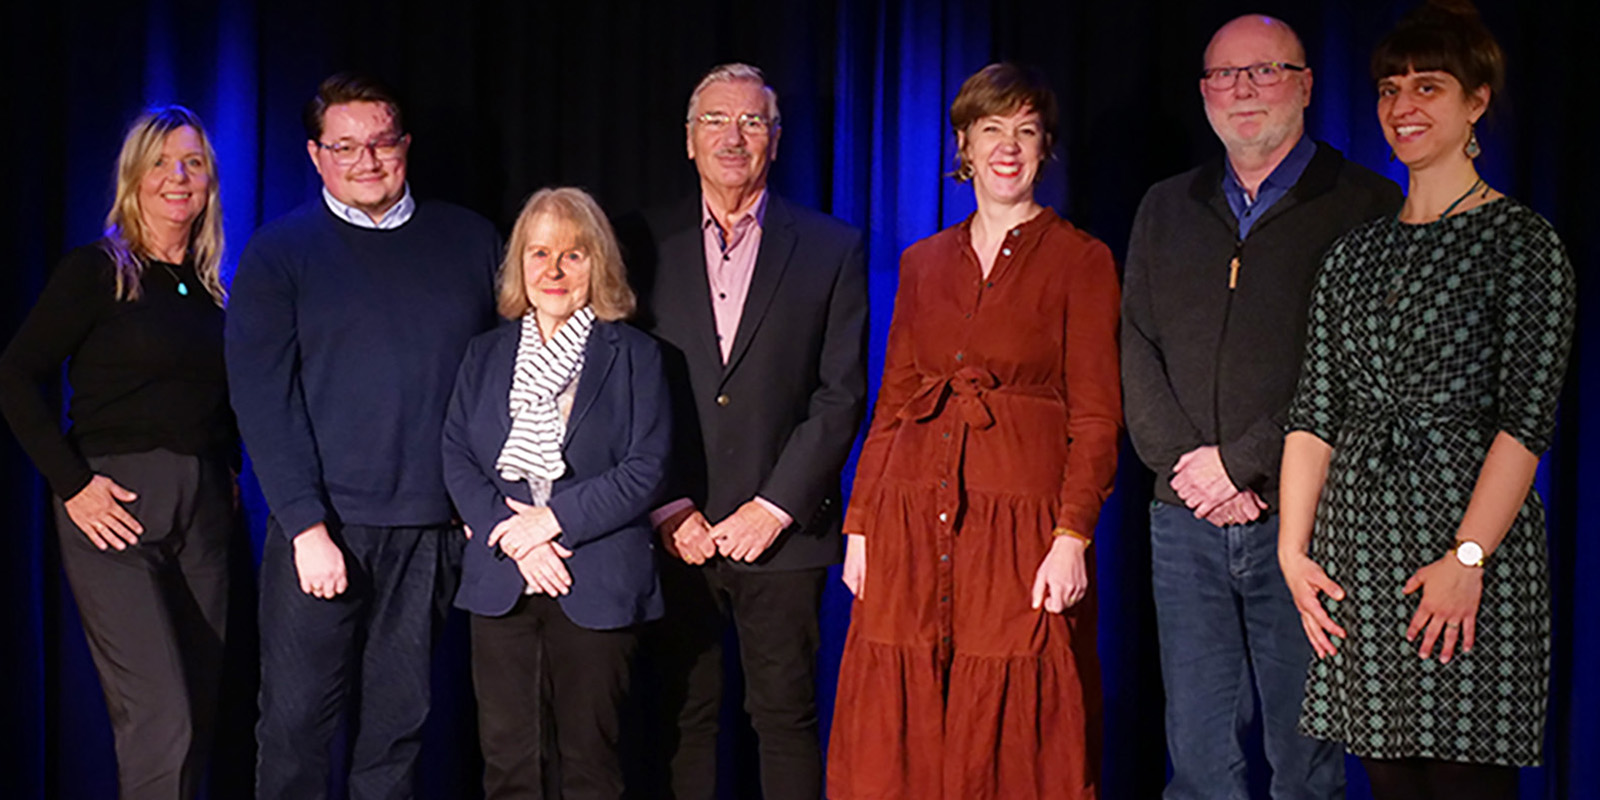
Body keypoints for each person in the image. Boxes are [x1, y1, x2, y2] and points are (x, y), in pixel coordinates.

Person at [1278, 2, 1574, 797]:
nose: (1402, 107)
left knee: (1464, 781)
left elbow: (1526, 418)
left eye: (1428, 87)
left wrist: (1468, 558)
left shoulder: (1521, 242)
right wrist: (1293, 552)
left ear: (1476, 101)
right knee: (1391, 782)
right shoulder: (1355, 253)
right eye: (1389, 88)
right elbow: (1315, 411)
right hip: (1360, 552)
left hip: (1468, 551)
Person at [1119, 14, 1403, 798]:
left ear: (1306, 85)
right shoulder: (1165, 207)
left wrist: (1239, 462)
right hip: (1184, 520)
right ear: (1203, 93)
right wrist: (1189, 471)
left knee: (1305, 759)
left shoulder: (1367, 205)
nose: (1241, 90)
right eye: (1223, 75)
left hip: (1306, 521)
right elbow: (1134, 346)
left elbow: (1360, 374)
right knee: (1200, 761)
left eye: (1264, 71)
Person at [828, 62, 1121, 799]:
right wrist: (860, 523)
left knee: (1019, 710)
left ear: (1045, 147)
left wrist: (1072, 535)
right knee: (906, 706)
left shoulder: (1081, 260)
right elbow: (892, 404)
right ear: (964, 144)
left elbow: (1095, 416)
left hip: (1021, 523)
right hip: (908, 516)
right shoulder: (923, 263)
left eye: (1026, 131)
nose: (1008, 147)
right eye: (992, 129)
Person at [225, 73, 501, 798]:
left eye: (381, 143)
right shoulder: (280, 252)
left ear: (405, 145)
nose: (366, 161)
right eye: (345, 147)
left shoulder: (471, 240)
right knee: (294, 731)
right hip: (321, 531)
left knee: (397, 734)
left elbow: (499, 384)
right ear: (316, 156)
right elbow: (263, 399)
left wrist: (484, 502)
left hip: (430, 530)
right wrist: (305, 525)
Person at [621, 63, 868, 800]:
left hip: (784, 535)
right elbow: (621, 387)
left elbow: (841, 394)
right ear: (689, 140)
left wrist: (774, 507)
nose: (734, 137)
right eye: (716, 122)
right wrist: (667, 506)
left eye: (752, 122)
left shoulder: (832, 246)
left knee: (786, 719)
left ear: (776, 139)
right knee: (680, 718)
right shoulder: (638, 242)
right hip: (674, 530)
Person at [0, 106, 235, 800]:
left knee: (200, 711)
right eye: (162, 160)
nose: (178, 176)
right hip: (117, 506)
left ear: (210, 182)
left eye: (192, 162)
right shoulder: (98, 271)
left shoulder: (209, 289)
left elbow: (221, 398)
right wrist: (73, 485)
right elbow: (14, 375)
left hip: (205, 521)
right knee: (160, 716)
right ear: (135, 176)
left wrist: (229, 471)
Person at [444, 187, 670, 800]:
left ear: (600, 264)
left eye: (573, 255)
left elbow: (646, 467)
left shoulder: (637, 357)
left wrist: (550, 523)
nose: (553, 270)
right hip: (501, 580)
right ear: (519, 263)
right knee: (508, 764)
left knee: (591, 766)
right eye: (539, 253)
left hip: (595, 578)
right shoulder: (485, 355)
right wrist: (511, 537)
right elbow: (458, 457)